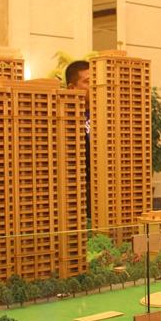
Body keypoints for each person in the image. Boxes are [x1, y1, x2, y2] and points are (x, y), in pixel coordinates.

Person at [66, 61, 91, 221]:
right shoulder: (66, 118)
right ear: (72, 88)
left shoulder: (108, 114)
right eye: (88, 82)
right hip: (77, 192)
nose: (95, 86)